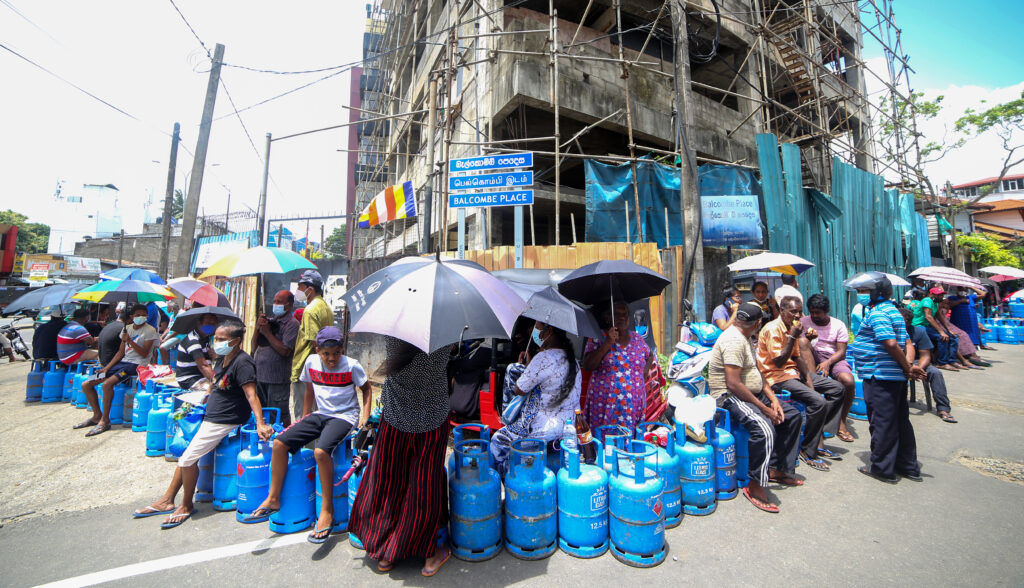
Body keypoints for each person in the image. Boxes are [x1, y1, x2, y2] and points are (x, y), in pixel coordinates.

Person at [133, 320, 273, 528]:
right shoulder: (222, 359)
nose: (216, 342)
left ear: (236, 341)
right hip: (210, 414)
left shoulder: (243, 363)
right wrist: (205, 398)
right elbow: (216, 383)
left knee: (188, 459)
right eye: (215, 338)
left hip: (224, 419)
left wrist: (260, 423)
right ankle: (167, 499)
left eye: (222, 339)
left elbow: (251, 394)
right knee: (187, 454)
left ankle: (186, 505)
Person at [244, 326, 372, 543]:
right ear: (317, 349)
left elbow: (367, 389)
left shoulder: (352, 366)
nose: (331, 359)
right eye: (326, 354)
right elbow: (310, 390)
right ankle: (273, 498)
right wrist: (304, 417)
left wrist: (365, 416)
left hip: (345, 417)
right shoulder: (311, 362)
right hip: (320, 414)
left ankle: (327, 511)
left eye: (336, 353)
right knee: (279, 443)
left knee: (321, 452)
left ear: (342, 349)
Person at [348, 336, 452, 577]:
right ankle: (429, 556)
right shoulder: (444, 332)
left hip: (395, 418)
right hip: (432, 419)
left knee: (388, 482)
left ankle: (385, 553)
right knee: (423, 487)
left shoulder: (394, 328)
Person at [708, 303, 802, 512]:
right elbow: (733, 383)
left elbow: (757, 373)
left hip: (751, 391)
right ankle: (755, 484)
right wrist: (765, 409)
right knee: (765, 428)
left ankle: (777, 468)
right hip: (728, 396)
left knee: (793, 415)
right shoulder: (733, 340)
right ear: (758, 323)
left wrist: (774, 400)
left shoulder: (746, 337)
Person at [849, 273, 926, 483]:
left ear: (876, 292)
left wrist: (907, 368)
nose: (861, 295)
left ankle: (883, 468)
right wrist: (908, 367)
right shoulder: (893, 311)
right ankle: (907, 466)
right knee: (900, 421)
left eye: (864, 291)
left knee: (882, 422)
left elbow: (891, 343)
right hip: (894, 376)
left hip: (880, 375)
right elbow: (908, 343)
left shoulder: (878, 314)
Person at [756, 296, 845, 472]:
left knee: (837, 389)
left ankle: (818, 433)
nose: (797, 315)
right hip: (776, 377)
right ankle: (809, 450)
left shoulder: (792, 327)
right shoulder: (774, 329)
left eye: (799, 312)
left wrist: (810, 380)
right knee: (818, 402)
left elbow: (796, 357)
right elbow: (779, 362)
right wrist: (792, 336)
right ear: (782, 310)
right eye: (793, 312)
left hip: (793, 373)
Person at [490, 321, 581, 475]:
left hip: (544, 430)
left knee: (498, 440)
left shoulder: (543, 358)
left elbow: (520, 389)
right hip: (568, 428)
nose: (533, 332)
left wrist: (528, 367)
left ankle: (514, 484)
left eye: (536, 328)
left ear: (549, 330)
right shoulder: (574, 361)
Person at [77, 304, 158, 437]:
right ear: (131, 317)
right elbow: (120, 352)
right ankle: (97, 415)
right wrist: (106, 368)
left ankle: (105, 420)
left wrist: (130, 341)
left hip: (137, 365)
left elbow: (144, 353)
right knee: (86, 384)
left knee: (107, 384)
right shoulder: (127, 329)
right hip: (122, 363)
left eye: (144, 315)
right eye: (138, 315)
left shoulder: (150, 330)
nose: (141, 317)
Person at [582, 301, 654, 431]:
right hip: (605, 407)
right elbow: (588, 365)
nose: (622, 317)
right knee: (605, 444)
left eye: (624, 314)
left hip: (633, 407)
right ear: (608, 319)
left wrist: (642, 374)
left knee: (630, 445)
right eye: (617, 314)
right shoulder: (599, 337)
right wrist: (608, 343)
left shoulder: (637, 338)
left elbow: (650, 355)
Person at [800, 294, 856, 444]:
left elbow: (841, 352)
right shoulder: (804, 322)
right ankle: (818, 423)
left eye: (818, 312)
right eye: (811, 312)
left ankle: (842, 420)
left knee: (848, 381)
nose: (814, 316)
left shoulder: (838, 325)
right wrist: (809, 340)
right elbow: (799, 345)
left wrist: (827, 363)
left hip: (833, 357)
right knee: (814, 381)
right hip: (811, 354)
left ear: (827, 311)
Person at [899, 308, 957, 424]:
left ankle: (943, 409)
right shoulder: (889, 332)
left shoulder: (918, 332)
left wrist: (919, 369)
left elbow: (925, 355)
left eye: (903, 321)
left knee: (935, 373)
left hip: (917, 363)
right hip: (896, 363)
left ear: (909, 322)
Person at [250, 290, 299, 426]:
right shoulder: (269, 322)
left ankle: (283, 442)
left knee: (278, 415)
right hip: (260, 377)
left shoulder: (292, 324)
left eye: (279, 302)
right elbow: (254, 347)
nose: (275, 305)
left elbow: (285, 351)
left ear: (289, 306)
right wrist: (258, 328)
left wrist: (267, 333)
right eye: (274, 301)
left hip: (277, 380)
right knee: (261, 414)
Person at [290, 270, 334, 419]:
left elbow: (316, 341)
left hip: (306, 368)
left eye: (301, 287)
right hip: (319, 370)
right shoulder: (325, 307)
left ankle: (305, 443)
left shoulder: (310, 310)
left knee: (303, 415)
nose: (298, 291)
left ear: (310, 288)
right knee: (316, 413)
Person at [914, 287, 958, 370]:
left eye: (941, 295)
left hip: (927, 326)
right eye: (939, 295)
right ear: (931, 294)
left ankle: (951, 360)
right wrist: (941, 332)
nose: (941, 297)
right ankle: (942, 362)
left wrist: (948, 330)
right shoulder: (927, 301)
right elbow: (928, 317)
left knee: (953, 336)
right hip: (919, 325)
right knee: (942, 337)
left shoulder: (935, 303)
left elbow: (939, 316)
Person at [174, 312, 219, 390]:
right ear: (199, 324)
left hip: (201, 377)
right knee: (218, 390)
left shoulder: (206, 338)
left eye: (213, 324)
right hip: (189, 380)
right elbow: (203, 366)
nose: (210, 327)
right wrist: (217, 382)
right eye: (208, 324)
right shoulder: (193, 341)